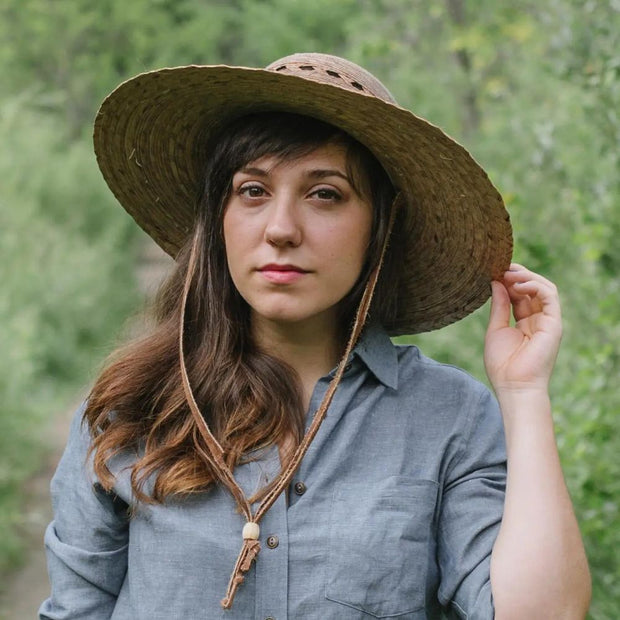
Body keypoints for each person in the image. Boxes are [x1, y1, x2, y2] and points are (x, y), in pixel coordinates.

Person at [40, 53, 590, 619]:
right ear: (219, 217)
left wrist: (524, 395)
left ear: (380, 224)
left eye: (325, 194)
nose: (281, 229)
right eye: (252, 191)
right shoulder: (132, 408)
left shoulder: (449, 419)